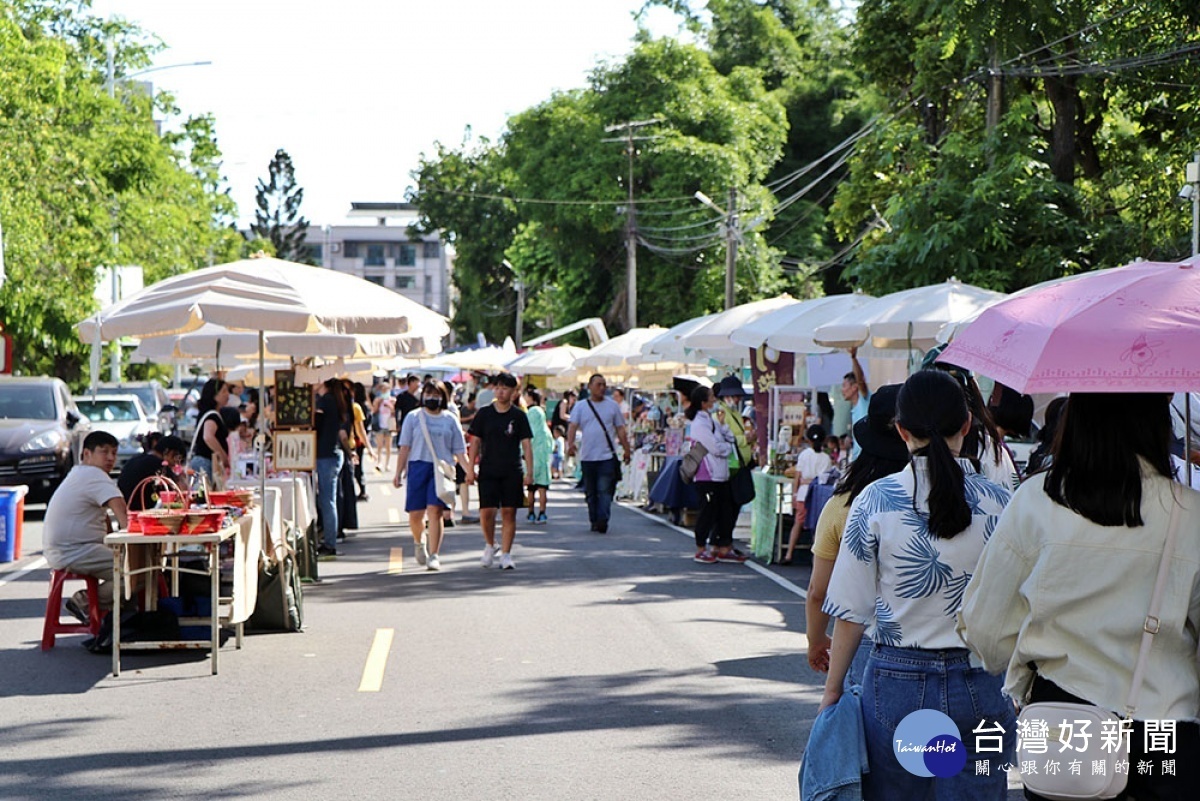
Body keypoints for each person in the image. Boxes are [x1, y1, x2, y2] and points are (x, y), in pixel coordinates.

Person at [961, 392, 1200, 801]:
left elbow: (986, 633)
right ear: (1159, 422)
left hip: (1064, 722)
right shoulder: (1190, 513)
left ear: (1076, 420)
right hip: (1167, 733)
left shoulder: (1036, 501)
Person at [819, 369, 1015, 800]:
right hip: (982, 685)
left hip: (897, 687)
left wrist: (832, 693)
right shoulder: (1002, 503)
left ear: (901, 430)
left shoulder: (875, 499)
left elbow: (850, 612)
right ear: (966, 425)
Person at [804, 384, 908, 682]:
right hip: (943, 645)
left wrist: (816, 640)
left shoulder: (844, 504)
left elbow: (818, 591)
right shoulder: (949, 499)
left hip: (864, 640)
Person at [43, 431, 130, 621]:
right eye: (104, 452)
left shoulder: (80, 473)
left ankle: (117, 615)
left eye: (114, 453)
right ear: (87, 454)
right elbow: (122, 514)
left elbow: (107, 520)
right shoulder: (94, 475)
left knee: (134, 566)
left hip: (66, 550)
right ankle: (83, 602)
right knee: (139, 570)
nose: (110, 458)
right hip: (75, 551)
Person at [393, 381, 471, 571]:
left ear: (443, 397)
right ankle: (419, 542)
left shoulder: (450, 419)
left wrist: (469, 471)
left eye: (436, 395)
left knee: (435, 511)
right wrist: (398, 472)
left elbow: (460, 451)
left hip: (441, 470)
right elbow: (405, 447)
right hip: (418, 466)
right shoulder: (414, 417)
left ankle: (434, 554)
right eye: (428, 394)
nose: (432, 398)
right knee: (416, 514)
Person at [467, 373, 533, 569]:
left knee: (508, 512)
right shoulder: (484, 414)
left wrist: (530, 472)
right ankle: (490, 544)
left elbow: (527, 445)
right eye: (498, 388)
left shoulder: (519, 416)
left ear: (514, 392)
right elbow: (475, 441)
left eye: (505, 388)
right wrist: (470, 469)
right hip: (488, 468)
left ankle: (506, 553)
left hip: (512, 469)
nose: (501, 392)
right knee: (487, 512)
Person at [566, 374, 631, 534]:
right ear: (590, 387)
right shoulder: (580, 406)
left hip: (606, 456)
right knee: (591, 492)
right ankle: (594, 519)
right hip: (587, 456)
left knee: (604, 490)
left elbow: (620, 429)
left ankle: (602, 519)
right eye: (598, 385)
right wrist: (570, 444)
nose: (602, 388)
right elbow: (573, 426)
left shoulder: (612, 406)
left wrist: (627, 449)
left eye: (604, 385)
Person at [686, 385, 743, 564]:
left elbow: (730, 438)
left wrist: (724, 424)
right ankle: (701, 547)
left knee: (724, 511)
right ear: (703, 402)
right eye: (711, 397)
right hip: (707, 474)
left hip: (720, 474)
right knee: (707, 512)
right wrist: (727, 447)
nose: (714, 399)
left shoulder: (711, 420)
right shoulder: (699, 424)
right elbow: (717, 448)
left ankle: (722, 547)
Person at [781, 424, 832, 565]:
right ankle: (816, 559)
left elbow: (798, 475)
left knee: (798, 523)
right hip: (818, 496)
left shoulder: (804, 455)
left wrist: (794, 493)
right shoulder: (826, 458)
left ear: (808, 439)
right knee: (817, 526)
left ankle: (789, 554)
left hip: (803, 494)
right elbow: (824, 479)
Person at [314, 378, 352, 559]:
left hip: (326, 455)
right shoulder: (334, 400)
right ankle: (330, 539)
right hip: (333, 454)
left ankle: (330, 542)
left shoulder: (325, 401)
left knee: (327, 500)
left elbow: (317, 427)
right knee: (329, 499)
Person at [118, 435, 188, 511]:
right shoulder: (160, 465)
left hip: (124, 509)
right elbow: (180, 495)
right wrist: (181, 477)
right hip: (140, 514)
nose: (176, 464)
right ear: (168, 452)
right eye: (177, 458)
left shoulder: (136, 459)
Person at [189, 378, 230, 483]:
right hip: (205, 464)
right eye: (224, 391)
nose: (227, 395)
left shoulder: (208, 413)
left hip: (204, 462)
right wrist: (223, 456)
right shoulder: (211, 415)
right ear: (214, 395)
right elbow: (208, 436)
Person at [523, 387, 553, 524]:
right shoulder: (542, 414)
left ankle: (530, 513)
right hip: (543, 457)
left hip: (533, 455)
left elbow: (528, 435)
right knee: (542, 488)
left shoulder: (531, 412)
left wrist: (523, 452)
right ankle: (542, 513)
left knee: (531, 489)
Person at [842, 346, 870, 459]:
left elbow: (860, 380)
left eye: (844, 386)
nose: (842, 390)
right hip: (857, 458)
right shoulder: (854, 409)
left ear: (854, 387)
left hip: (865, 458)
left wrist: (853, 358)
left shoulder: (864, 400)